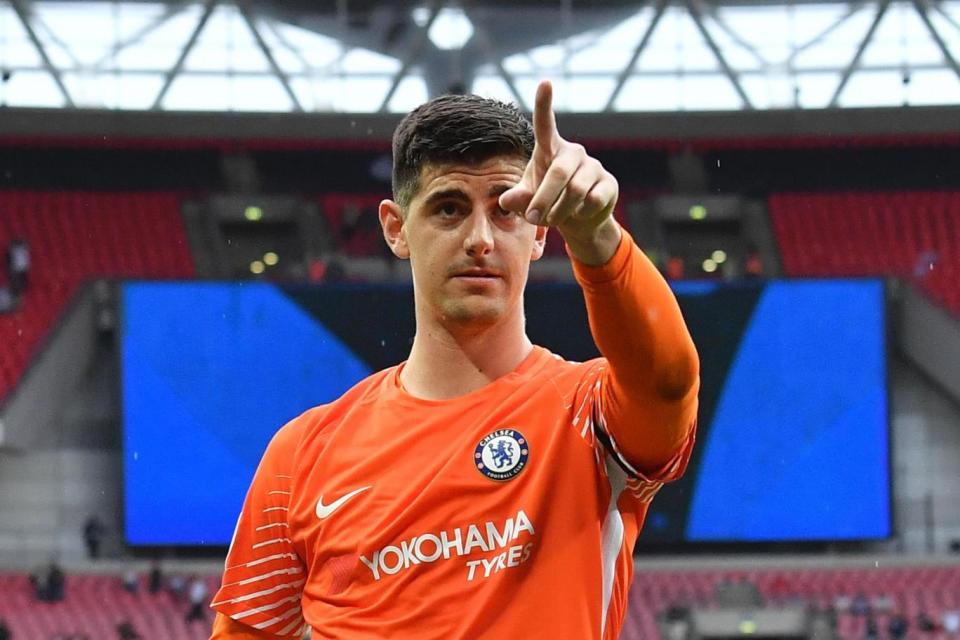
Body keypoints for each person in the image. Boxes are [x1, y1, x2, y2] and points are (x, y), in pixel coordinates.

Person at [210, 81, 699, 639]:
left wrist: (597, 235)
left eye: (507, 210)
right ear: (396, 229)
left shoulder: (589, 415)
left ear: (540, 231)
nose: (480, 239)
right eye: (449, 208)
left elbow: (668, 384)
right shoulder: (300, 456)